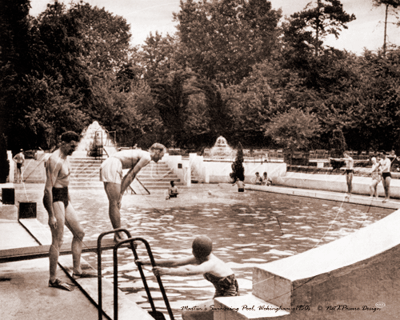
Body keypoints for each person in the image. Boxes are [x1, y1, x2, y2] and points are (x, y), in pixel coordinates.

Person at [136, 235, 239, 320]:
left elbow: (189, 270)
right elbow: (175, 262)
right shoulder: (203, 258)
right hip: (220, 298)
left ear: (194, 251)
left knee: (188, 314)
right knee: (195, 314)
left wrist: (166, 272)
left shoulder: (211, 263)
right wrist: (146, 262)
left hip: (228, 301)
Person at [43, 131, 96, 291]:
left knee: (79, 233)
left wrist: (69, 202)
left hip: (64, 198)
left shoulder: (66, 157)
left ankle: (77, 270)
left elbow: (65, 183)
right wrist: (51, 215)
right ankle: (52, 279)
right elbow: (47, 190)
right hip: (56, 199)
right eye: (71, 146)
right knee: (57, 240)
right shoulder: (55, 160)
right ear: (63, 143)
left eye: (75, 146)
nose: (73, 149)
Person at [100, 143, 165, 241]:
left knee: (115, 203)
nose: (161, 159)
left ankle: (117, 233)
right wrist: (121, 193)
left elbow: (130, 175)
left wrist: (121, 192)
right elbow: (131, 175)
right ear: (157, 151)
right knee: (114, 203)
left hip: (108, 164)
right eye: (161, 155)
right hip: (113, 164)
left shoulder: (142, 154)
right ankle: (119, 235)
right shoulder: (147, 157)